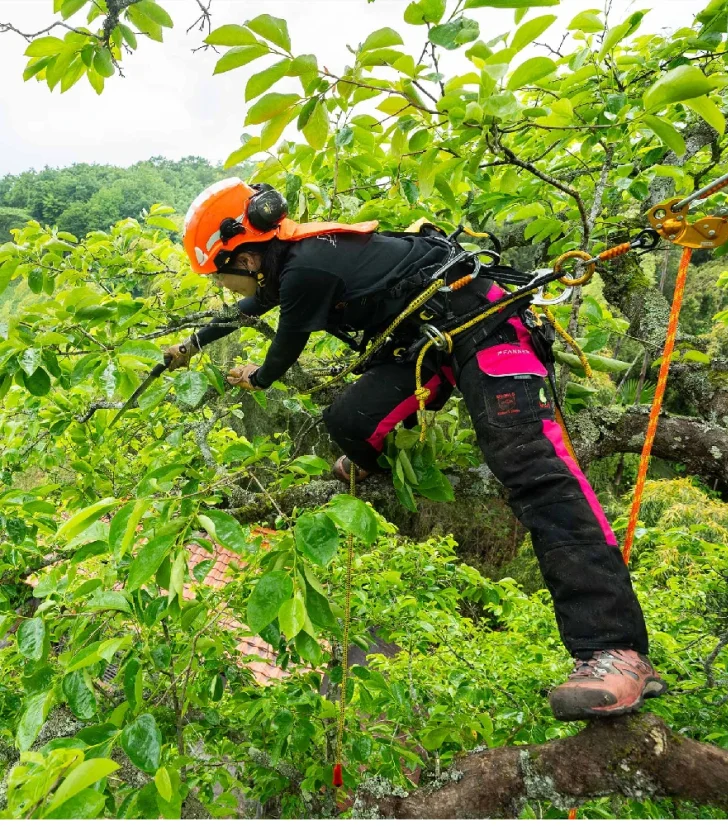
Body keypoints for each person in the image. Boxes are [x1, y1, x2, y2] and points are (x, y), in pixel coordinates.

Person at [170, 178, 666, 721]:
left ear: (244, 255)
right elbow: (250, 310)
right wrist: (190, 345)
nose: (229, 287)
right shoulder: (295, 259)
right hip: (426, 344)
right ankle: (372, 459)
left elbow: (284, 345)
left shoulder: (307, 267)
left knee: (530, 469)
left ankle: (614, 650)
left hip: (486, 327)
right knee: (348, 421)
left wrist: (259, 376)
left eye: (223, 275)